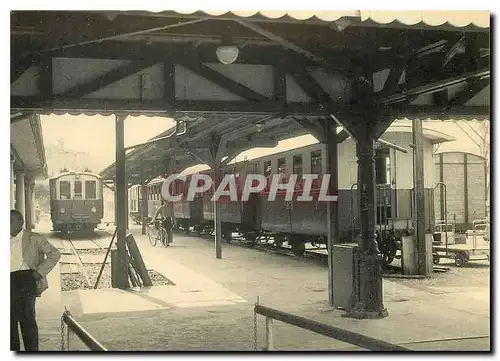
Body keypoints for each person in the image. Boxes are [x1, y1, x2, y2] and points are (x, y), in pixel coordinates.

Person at [11, 209, 61, 351]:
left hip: (26, 279)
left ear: (20, 223)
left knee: (28, 321)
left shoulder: (34, 238)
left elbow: (54, 254)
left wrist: (39, 272)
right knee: (9, 322)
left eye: (10, 221)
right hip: (8, 281)